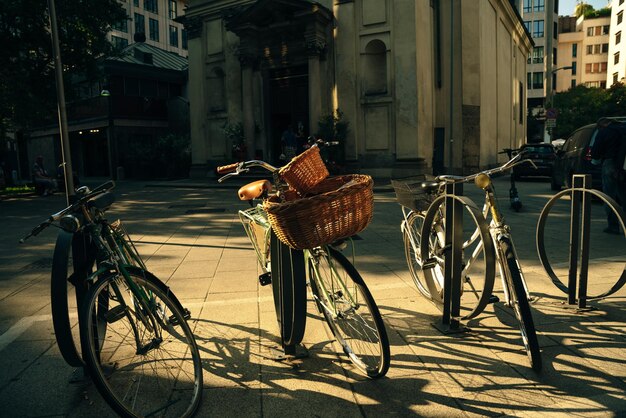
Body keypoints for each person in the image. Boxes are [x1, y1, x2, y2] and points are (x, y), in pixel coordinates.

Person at [591, 118, 625, 234]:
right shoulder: (623, 129)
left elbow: (595, 151)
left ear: (602, 125)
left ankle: (613, 226)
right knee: (624, 195)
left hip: (610, 163)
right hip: (624, 164)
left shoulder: (605, 132)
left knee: (609, 196)